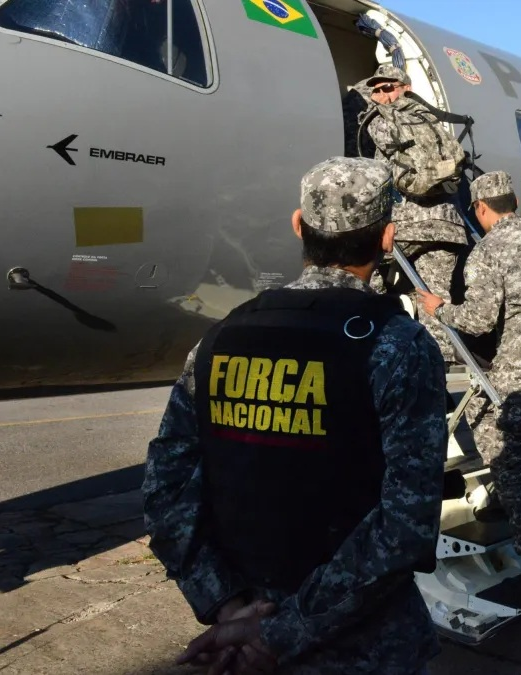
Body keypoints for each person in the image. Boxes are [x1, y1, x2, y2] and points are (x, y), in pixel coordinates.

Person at [143, 157, 448, 674]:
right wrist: (283, 632)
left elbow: (166, 488)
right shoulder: (398, 344)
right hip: (364, 644)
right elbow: (405, 523)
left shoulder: (221, 337)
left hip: (243, 624)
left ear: (298, 226)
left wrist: (230, 608)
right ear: (388, 237)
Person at [415, 170, 521, 608]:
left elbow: (479, 319)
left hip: (513, 376)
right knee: (516, 460)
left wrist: (438, 308)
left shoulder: (490, 249)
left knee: (511, 469)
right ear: (514, 201)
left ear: (482, 209)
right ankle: (507, 514)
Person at [363, 63, 470, 366]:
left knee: (363, 268)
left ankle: (374, 338)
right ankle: (438, 357)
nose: (380, 94)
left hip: (408, 223)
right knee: (433, 295)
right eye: (376, 89)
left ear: (404, 88)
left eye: (387, 87)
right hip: (446, 225)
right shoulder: (432, 120)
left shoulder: (384, 119)